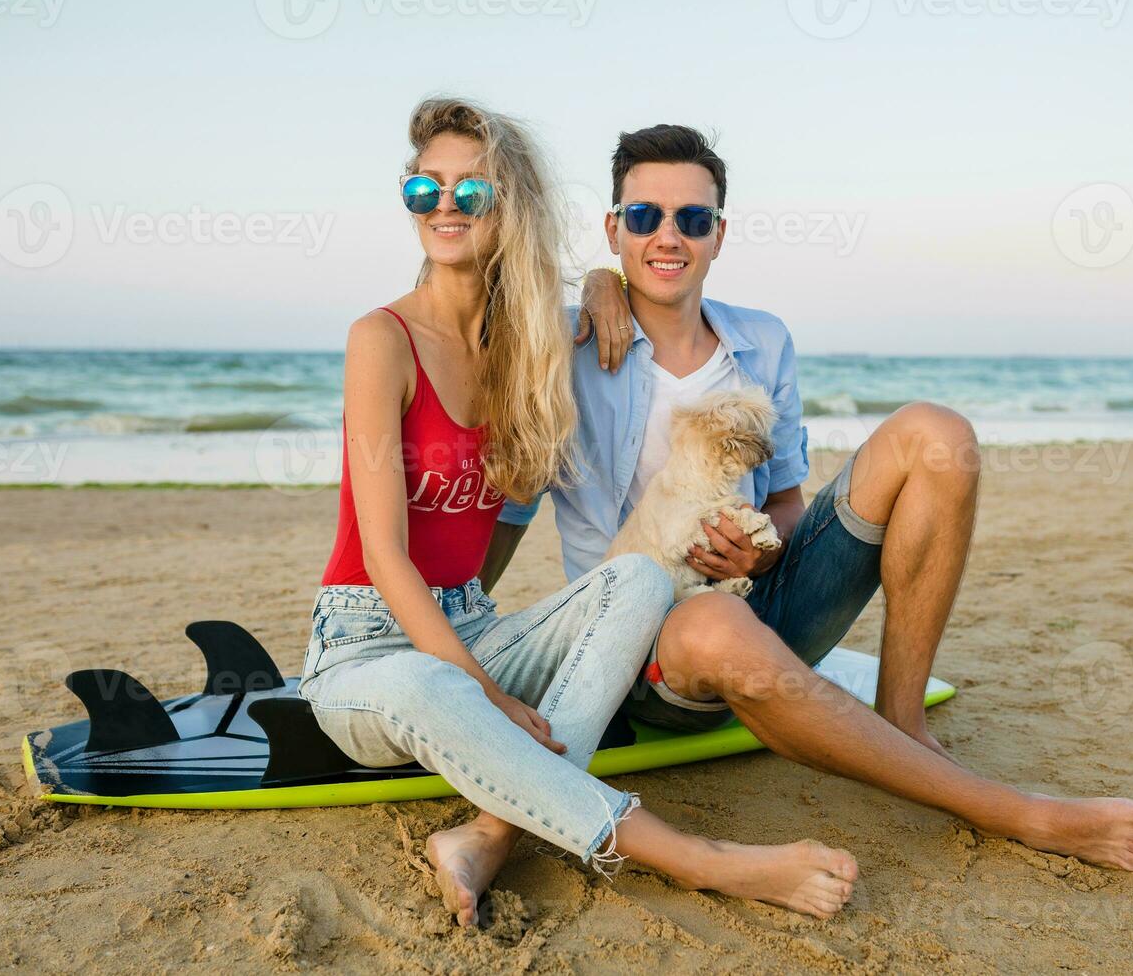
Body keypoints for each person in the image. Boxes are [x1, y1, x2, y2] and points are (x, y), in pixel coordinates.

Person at [485, 124, 1133, 873]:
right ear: (614, 228)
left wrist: (764, 549)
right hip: (653, 648)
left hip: (768, 602)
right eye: (645, 216)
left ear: (719, 235)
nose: (668, 236)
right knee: (713, 620)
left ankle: (904, 717)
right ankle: (1015, 812)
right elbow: (512, 502)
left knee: (935, 433)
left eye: (692, 219)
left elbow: (785, 500)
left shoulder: (764, 340)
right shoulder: (565, 343)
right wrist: (461, 644)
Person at [299, 99, 859, 929]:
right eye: (425, 189)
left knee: (632, 579)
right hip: (368, 647)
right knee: (432, 683)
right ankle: (698, 859)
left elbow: (610, 286)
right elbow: (385, 554)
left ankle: (488, 836)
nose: (444, 205)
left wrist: (605, 281)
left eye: (471, 190)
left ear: (511, 206)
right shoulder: (380, 339)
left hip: (469, 623)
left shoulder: (526, 345)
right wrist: (486, 691)